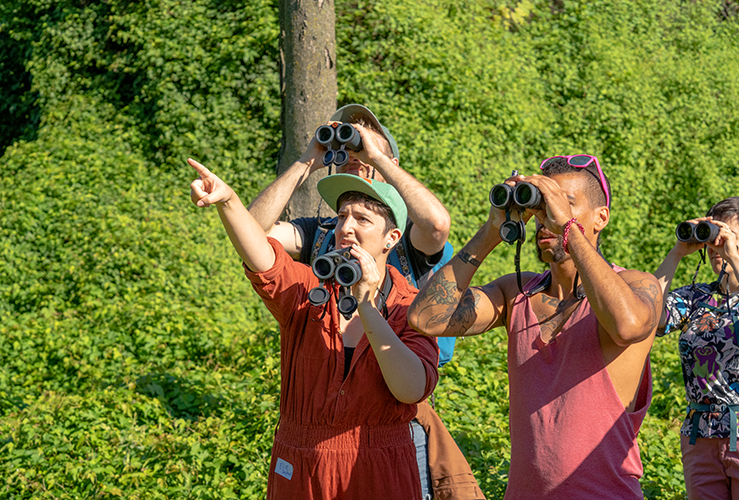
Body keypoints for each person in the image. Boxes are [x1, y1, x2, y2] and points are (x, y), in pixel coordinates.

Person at [248, 104, 485, 500]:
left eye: (363, 150)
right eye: (348, 150)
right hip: (326, 402)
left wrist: (378, 157)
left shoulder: (403, 234)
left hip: (395, 403)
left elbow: (437, 224)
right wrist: (307, 161)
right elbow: (252, 233)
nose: (354, 159)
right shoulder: (327, 230)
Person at [408, 156, 663, 499]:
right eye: (543, 205)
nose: (548, 218)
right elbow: (427, 318)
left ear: (601, 217)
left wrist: (568, 230)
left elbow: (627, 326)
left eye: (564, 203)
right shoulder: (516, 292)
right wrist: (490, 232)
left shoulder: (636, 285)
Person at [189, 163, 439, 500]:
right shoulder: (310, 291)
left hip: (379, 469)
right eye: (341, 217)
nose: (346, 228)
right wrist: (228, 201)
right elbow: (262, 258)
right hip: (301, 466)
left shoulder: (410, 308)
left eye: (362, 219)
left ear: (391, 238)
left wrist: (365, 306)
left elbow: (411, 389)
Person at [655, 197, 739, 499]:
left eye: (727, 235)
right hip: (700, 437)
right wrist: (677, 252)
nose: (717, 244)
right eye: (713, 235)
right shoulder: (696, 297)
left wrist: (734, 258)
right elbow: (645, 317)